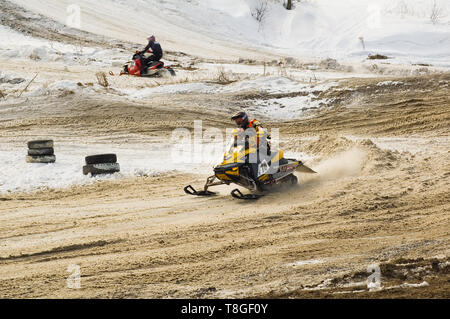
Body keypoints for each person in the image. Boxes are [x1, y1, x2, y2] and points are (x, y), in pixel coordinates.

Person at [231, 111, 271, 180]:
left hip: (261, 147)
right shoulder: (239, 131)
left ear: (244, 118)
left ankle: (263, 178)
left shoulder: (253, 122)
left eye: (239, 119)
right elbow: (235, 141)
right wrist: (233, 145)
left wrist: (263, 132)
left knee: (254, 158)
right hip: (248, 150)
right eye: (236, 120)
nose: (238, 121)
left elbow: (260, 128)